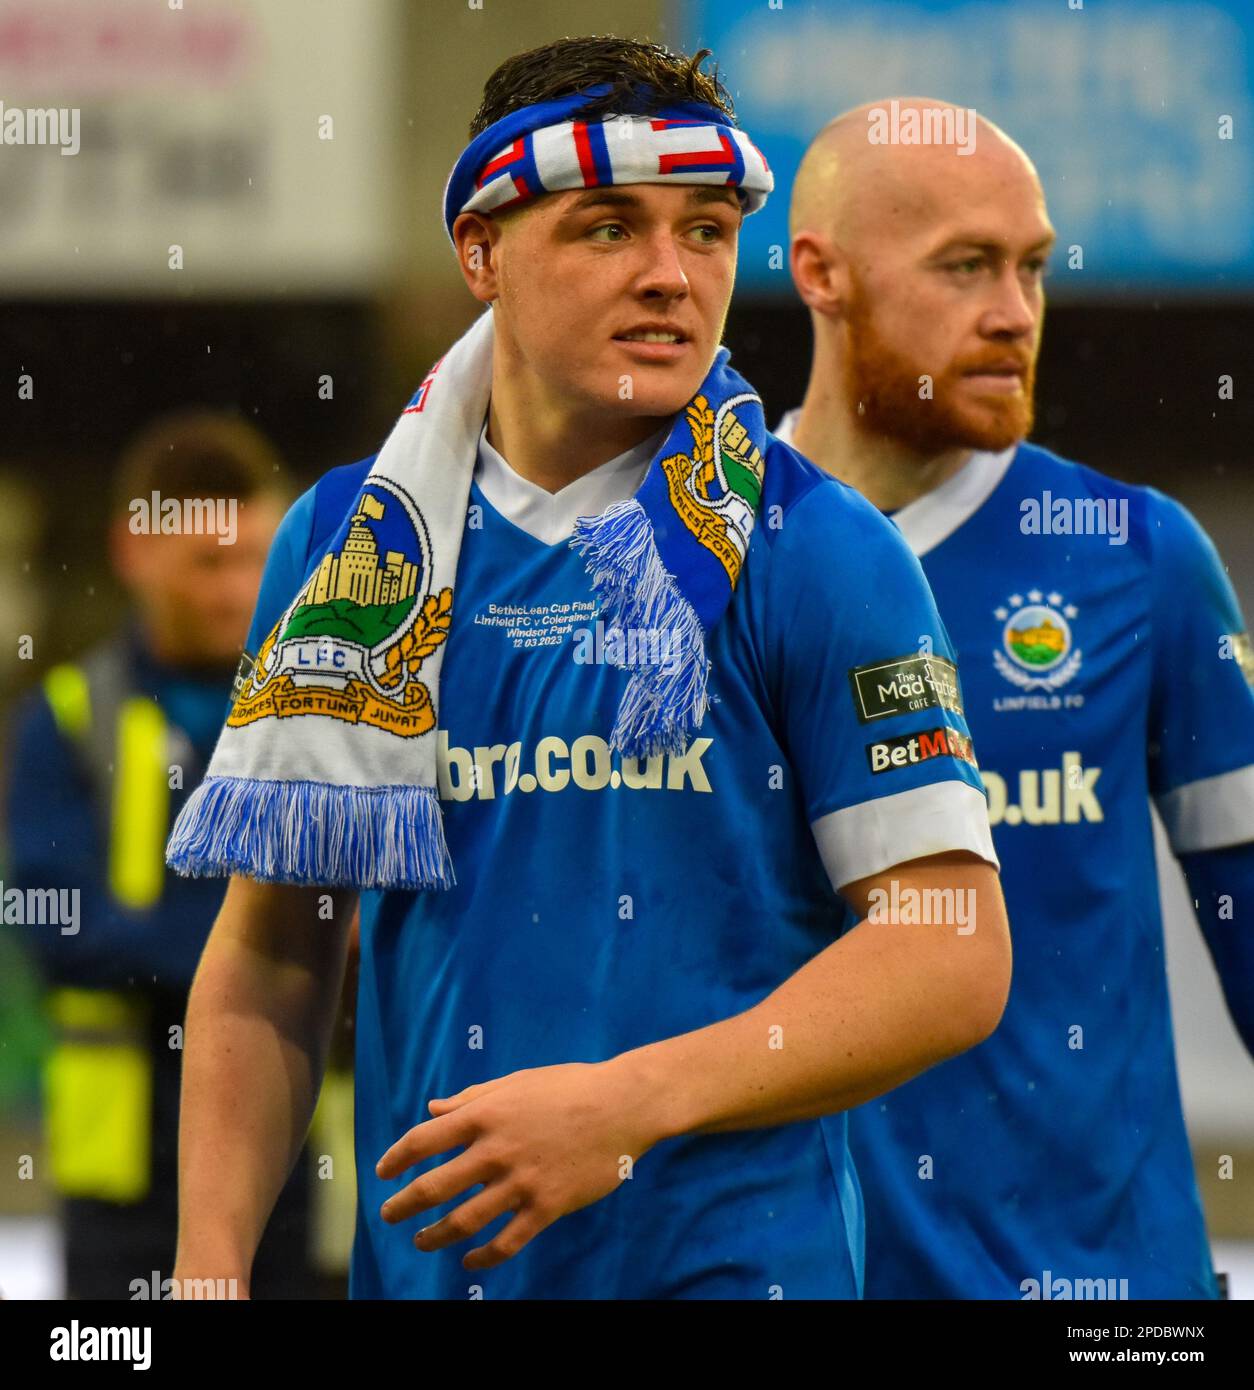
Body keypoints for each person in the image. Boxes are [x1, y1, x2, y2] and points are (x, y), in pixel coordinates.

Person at [168, 39, 1009, 1302]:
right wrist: (207, 1272)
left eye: (710, 230)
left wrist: (627, 1105)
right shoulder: (346, 550)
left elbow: (951, 950)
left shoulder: (823, 552)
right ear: (481, 250)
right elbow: (281, 945)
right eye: (610, 227)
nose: (673, 277)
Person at [778, 98, 1254, 1299]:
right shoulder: (706, 561)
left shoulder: (1136, 558)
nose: (1015, 313)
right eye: (966, 267)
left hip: (1112, 1300)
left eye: (1034, 267)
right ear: (820, 274)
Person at [3, 411, 335, 1299]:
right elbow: (58, 924)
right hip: (126, 1167)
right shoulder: (67, 720)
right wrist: (269, 951)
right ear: (133, 551)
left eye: (257, 559)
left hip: (294, 1149)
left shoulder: (322, 708)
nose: (239, 591)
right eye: (209, 563)